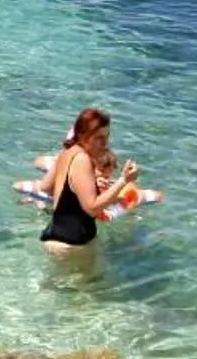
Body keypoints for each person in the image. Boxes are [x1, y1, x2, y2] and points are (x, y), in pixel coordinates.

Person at [40, 108, 140, 254]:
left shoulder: (67, 153)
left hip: (56, 238)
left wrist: (81, 189)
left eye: (107, 136)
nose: (105, 143)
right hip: (72, 246)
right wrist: (124, 180)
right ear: (82, 135)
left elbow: (46, 187)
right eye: (99, 137)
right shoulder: (82, 159)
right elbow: (92, 208)